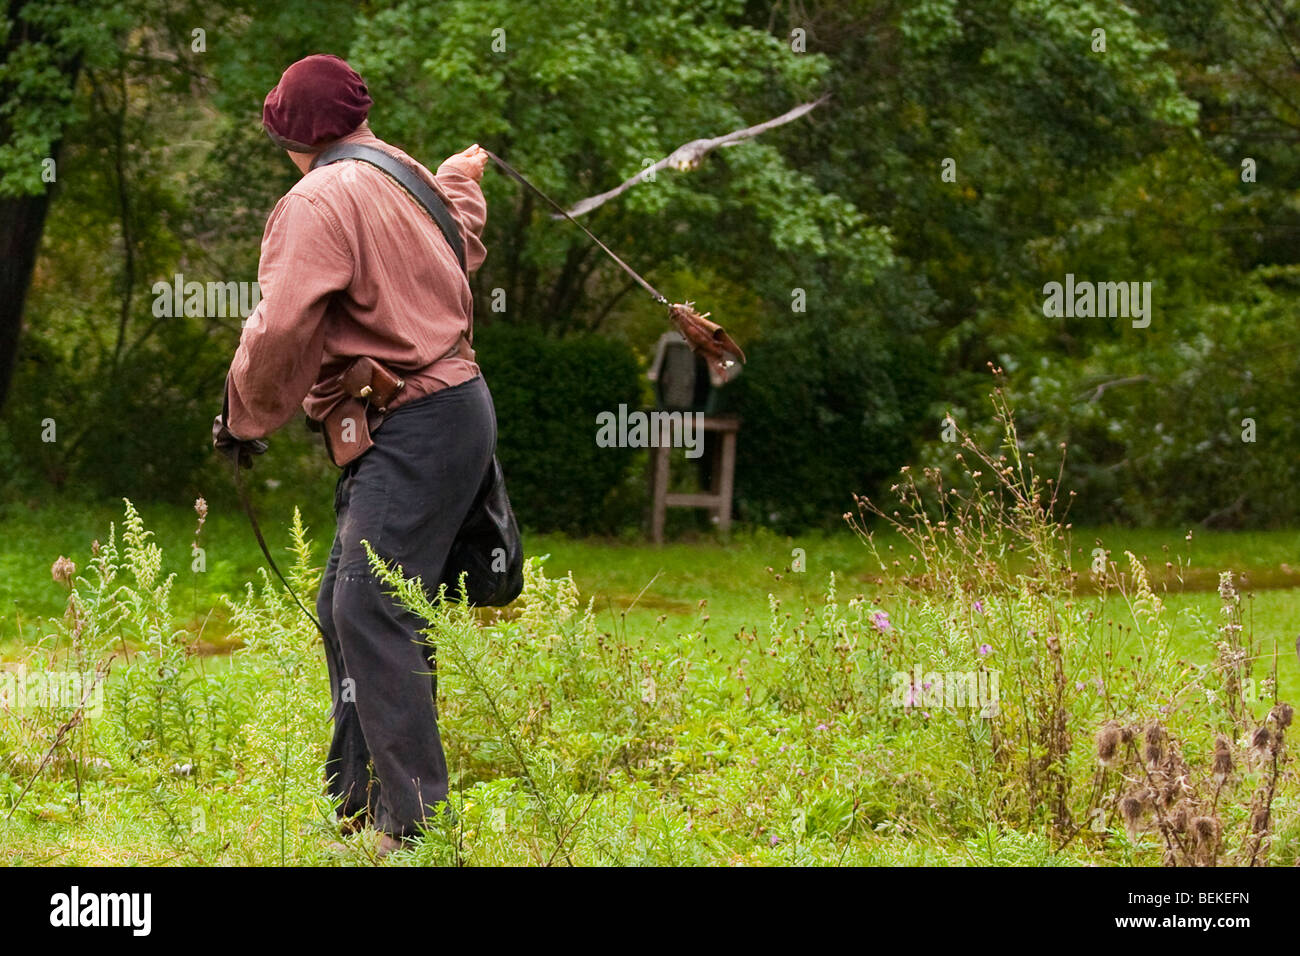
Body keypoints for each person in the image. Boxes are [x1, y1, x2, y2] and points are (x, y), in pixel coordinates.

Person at [212, 53, 493, 858]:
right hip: (455, 413)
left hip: (416, 420)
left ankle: (414, 831)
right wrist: (460, 176)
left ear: (287, 134)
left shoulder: (316, 200)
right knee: (352, 601)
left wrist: (242, 418)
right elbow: (462, 235)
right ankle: (355, 802)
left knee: (371, 608)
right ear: (358, 118)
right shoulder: (400, 172)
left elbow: (281, 328)